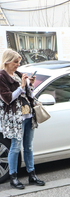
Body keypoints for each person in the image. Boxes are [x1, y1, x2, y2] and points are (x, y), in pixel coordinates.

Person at [0, 49, 44, 189]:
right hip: (14, 117)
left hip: (28, 115)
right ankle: (14, 177)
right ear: (7, 61)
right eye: (16, 62)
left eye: (19, 62)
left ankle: (32, 175)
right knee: (15, 147)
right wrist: (22, 86)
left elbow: (27, 95)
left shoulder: (18, 74)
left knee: (29, 146)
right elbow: (8, 99)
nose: (18, 64)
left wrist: (30, 84)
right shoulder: (1, 77)